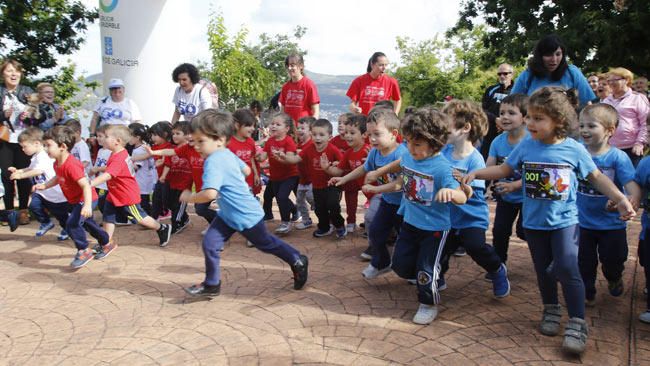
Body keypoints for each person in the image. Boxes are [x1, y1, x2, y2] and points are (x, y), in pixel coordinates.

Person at [462, 86, 635, 355]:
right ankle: (551, 309)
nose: (530, 123)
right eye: (529, 117)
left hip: (565, 221)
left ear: (559, 121)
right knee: (543, 270)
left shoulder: (574, 149)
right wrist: (477, 173)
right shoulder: (526, 146)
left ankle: (577, 322)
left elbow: (597, 177)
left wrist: (622, 199)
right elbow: (506, 169)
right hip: (534, 223)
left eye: (538, 118)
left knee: (567, 267)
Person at [180, 109, 309, 297]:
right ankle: (212, 284)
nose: (197, 147)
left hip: (245, 215)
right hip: (227, 214)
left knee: (266, 244)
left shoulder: (214, 161)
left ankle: (297, 259)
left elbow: (209, 194)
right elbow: (247, 170)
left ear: (220, 140)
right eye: (195, 141)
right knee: (210, 243)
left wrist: (190, 197)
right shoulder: (226, 153)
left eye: (201, 141)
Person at [366, 107, 472, 324]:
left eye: (417, 144)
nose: (411, 149)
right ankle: (434, 273)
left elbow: (462, 197)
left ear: (434, 144)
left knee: (425, 269)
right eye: (409, 142)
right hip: (410, 222)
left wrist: (451, 192)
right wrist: (378, 179)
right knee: (401, 265)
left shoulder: (442, 168)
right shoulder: (408, 156)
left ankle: (428, 303)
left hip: (434, 229)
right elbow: (402, 172)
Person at [438, 100, 511, 298]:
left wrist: (461, 184)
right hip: (447, 216)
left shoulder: (474, 159)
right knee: (440, 248)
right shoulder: (443, 151)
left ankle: (496, 269)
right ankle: (438, 276)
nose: (442, 130)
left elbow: (473, 192)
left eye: (447, 125)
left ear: (465, 128)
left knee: (475, 246)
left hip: (471, 216)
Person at [576, 103, 640, 307]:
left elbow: (632, 186)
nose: (585, 130)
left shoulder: (617, 157)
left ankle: (614, 277)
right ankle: (587, 291)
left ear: (610, 130)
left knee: (613, 261)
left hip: (611, 224)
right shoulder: (577, 151)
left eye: (591, 126)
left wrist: (628, 201)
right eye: (582, 125)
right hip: (581, 221)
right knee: (584, 262)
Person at [331, 108, 408, 277]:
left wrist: (375, 189)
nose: (372, 139)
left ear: (394, 133)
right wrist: (343, 179)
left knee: (407, 241)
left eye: (377, 134)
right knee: (375, 232)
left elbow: (400, 185)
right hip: (388, 202)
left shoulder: (403, 154)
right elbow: (363, 168)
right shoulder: (374, 152)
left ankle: (414, 271)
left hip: (405, 206)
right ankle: (381, 263)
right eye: (369, 134)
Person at [36, 126, 111, 269]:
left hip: (85, 198)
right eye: (44, 145)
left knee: (72, 223)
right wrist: (45, 186)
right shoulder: (57, 163)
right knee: (89, 224)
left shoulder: (71, 165)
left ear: (63, 146)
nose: (45, 149)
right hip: (75, 200)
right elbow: (58, 178)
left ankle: (84, 250)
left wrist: (87, 205)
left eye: (48, 145)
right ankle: (107, 243)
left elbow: (86, 186)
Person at [90, 125, 172, 249]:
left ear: (117, 141)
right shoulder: (117, 153)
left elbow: (108, 175)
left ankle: (162, 228)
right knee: (108, 217)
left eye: (106, 137)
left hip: (126, 196)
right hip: (114, 193)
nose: (101, 139)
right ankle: (106, 242)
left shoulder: (119, 157)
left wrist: (90, 183)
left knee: (140, 218)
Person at [275, 118, 346, 239]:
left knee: (333, 206)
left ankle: (339, 226)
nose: (317, 138)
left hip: (332, 185)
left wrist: (334, 164)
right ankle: (324, 228)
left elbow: (342, 166)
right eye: (314, 135)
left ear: (329, 136)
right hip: (317, 186)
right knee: (319, 210)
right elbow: (295, 159)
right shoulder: (308, 149)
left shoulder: (333, 149)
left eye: (321, 135)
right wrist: (284, 158)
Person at [486, 94, 529, 264]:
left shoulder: (532, 142)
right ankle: (498, 264)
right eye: (502, 112)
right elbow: (490, 166)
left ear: (525, 117)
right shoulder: (497, 141)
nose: (504, 117)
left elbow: (538, 174)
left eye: (511, 113)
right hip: (506, 197)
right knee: (500, 231)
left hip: (528, 197)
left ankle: (549, 256)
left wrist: (515, 185)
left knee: (524, 231)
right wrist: (478, 181)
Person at [9, 127, 68, 240]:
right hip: (42, 191)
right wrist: (19, 171)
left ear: (36, 143)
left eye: (25, 146)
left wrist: (21, 176)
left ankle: (67, 228)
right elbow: (30, 168)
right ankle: (46, 222)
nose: (23, 150)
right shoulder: (36, 156)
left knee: (61, 215)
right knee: (33, 205)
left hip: (54, 193)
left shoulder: (44, 155)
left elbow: (38, 170)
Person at [511, 34, 596, 107]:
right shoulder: (528, 75)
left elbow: (588, 105)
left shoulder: (572, 72)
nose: (554, 59)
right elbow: (513, 104)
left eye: (558, 54)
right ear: (539, 56)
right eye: (548, 55)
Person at [0, 59, 35, 225]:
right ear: (2, 74)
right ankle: (8, 212)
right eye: (9, 71)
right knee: (7, 176)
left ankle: (23, 210)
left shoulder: (27, 91)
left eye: (17, 71)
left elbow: (39, 114)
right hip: (4, 140)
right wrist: (3, 115)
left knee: (23, 175)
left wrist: (31, 115)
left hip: (24, 139)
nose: (14, 74)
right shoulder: (0, 92)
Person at [326, 114, 371, 235]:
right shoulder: (348, 153)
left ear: (364, 135)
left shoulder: (368, 150)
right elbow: (338, 171)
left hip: (375, 189)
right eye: (346, 133)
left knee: (375, 213)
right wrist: (327, 168)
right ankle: (354, 223)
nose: (347, 136)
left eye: (352, 133)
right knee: (354, 202)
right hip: (361, 185)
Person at [257, 113, 300, 234]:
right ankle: (294, 210)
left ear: (286, 128)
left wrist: (283, 157)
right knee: (277, 197)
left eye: (278, 124)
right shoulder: (270, 141)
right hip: (275, 177)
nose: (273, 126)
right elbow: (263, 157)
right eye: (272, 124)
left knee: (281, 197)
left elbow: (291, 160)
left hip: (290, 175)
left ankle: (285, 223)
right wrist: (256, 156)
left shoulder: (289, 141)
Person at [603, 67, 650, 167]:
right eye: (609, 80)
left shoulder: (637, 98)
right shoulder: (606, 101)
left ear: (627, 80)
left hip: (632, 149)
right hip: (610, 148)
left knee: (632, 181)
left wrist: (639, 143)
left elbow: (645, 123)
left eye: (615, 80)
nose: (611, 83)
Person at [481, 63, 514, 160]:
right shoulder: (491, 90)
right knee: (486, 159)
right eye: (499, 74)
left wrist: (504, 124)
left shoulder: (517, 89)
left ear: (512, 74)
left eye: (505, 73)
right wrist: (496, 120)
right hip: (490, 131)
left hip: (509, 131)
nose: (502, 76)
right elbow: (482, 110)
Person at [279, 54, 320, 124]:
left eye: (292, 65)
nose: (289, 68)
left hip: (304, 128)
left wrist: (311, 127)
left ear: (301, 66)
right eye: (288, 66)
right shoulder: (285, 87)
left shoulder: (309, 85)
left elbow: (316, 111)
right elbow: (282, 111)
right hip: (289, 129)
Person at [129, 123, 157, 215]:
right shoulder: (141, 147)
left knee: (143, 199)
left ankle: (147, 217)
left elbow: (137, 166)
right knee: (143, 198)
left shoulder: (140, 149)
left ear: (137, 137)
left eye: (129, 135)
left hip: (142, 179)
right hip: (144, 178)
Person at [148, 121, 174, 220]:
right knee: (156, 198)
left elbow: (168, 163)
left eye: (155, 135)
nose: (152, 138)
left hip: (168, 179)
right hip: (161, 178)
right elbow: (149, 156)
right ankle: (153, 218)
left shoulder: (168, 147)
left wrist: (163, 174)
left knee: (166, 200)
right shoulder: (155, 147)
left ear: (165, 134)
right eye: (151, 135)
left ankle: (179, 216)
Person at [293, 116, 316, 230]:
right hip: (302, 179)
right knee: (299, 200)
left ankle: (326, 217)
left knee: (311, 197)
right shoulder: (298, 145)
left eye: (303, 128)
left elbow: (304, 154)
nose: (299, 130)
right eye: (298, 128)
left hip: (312, 179)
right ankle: (306, 220)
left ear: (311, 131)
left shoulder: (312, 144)